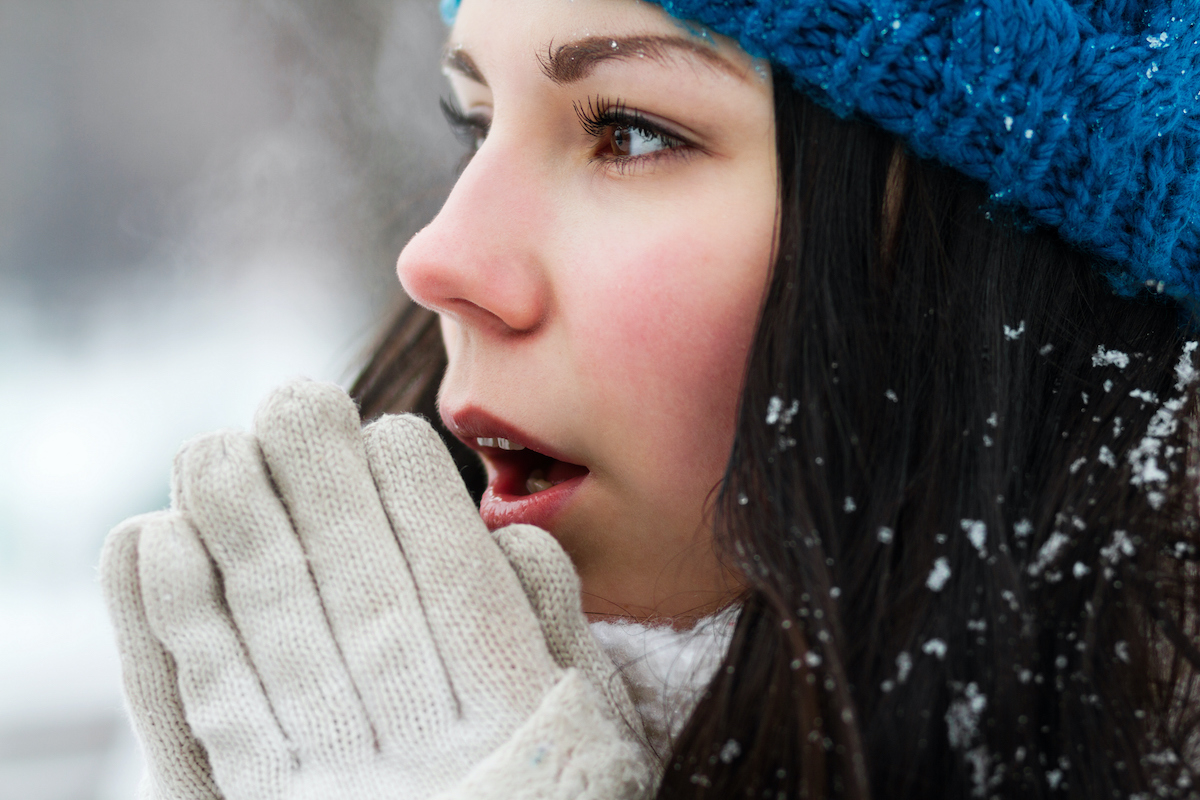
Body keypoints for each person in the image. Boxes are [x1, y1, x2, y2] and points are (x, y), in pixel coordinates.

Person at [101, 0, 1200, 797]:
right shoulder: (300, 706)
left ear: (981, 269)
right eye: (474, 125)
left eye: (627, 129)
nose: (438, 259)